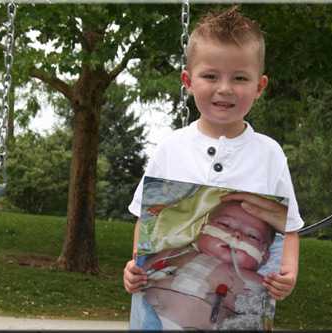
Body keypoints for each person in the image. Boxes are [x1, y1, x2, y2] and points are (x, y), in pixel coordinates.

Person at [123, 6, 304, 329]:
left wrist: (288, 272)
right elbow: (147, 219)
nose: (224, 88)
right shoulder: (171, 147)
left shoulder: (270, 154)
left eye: (239, 78)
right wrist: (136, 265)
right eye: (210, 76)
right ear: (188, 81)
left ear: (259, 86)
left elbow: (289, 227)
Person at [141, 200, 276, 330]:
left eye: (252, 236)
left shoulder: (253, 280)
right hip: (146, 317)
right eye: (225, 225)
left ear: (264, 256)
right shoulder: (176, 253)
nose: (236, 235)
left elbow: (261, 317)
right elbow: (139, 274)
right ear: (203, 229)